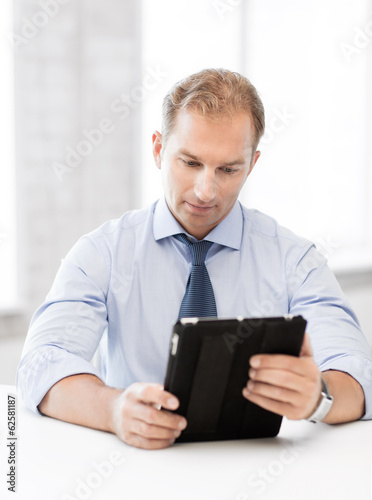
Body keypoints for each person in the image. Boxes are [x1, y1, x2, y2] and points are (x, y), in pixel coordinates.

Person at [17, 68, 372, 450]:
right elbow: (42, 363)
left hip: (258, 468)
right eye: (189, 163)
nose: (205, 190)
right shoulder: (102, 253)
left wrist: (319, 395)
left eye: (228, 169)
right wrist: (112, 409)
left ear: (251, 165)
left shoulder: (295, 260)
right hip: (139, 467)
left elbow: (359, 375)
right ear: (158, 150)